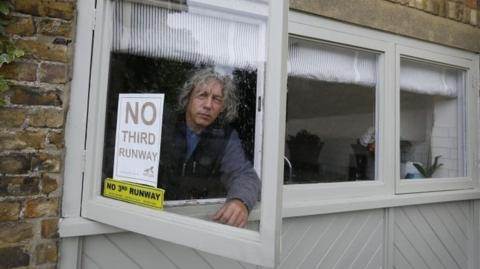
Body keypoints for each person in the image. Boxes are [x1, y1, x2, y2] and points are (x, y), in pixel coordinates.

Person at [157, 68, 260, 228]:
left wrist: (240, 201)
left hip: (202, 223)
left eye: (217, 99)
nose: (208, 105)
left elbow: (244, 174)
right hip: (155, 218)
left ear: (222, 108)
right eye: (202, 95)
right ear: (188, 98)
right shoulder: (163, 127)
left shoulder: (225, 136)